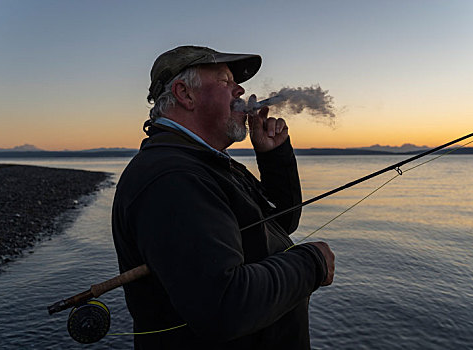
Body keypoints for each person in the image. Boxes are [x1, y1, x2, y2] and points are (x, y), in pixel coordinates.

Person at [112, 45, 335, 350]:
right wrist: (312, 263)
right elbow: (224, 306)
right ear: (185, 94)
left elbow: (280, 224)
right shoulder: (173, 179)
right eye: (225, 81)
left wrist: (273, 157)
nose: (241, 90)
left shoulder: (205, 163)